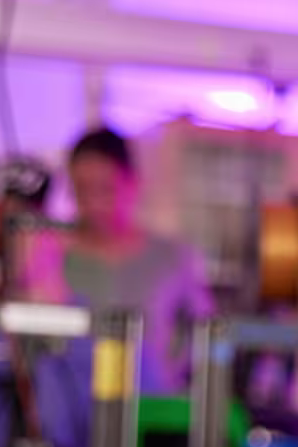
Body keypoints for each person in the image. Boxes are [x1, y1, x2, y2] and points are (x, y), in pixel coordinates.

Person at [17, 126, 214, 401]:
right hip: (71, 422)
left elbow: (209, 338)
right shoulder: (51, 256)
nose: (94, 203)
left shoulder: (172, 258)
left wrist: (176, 386)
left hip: (149, 416)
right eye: (83, 191)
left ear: (133, 183)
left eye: (105, 189)